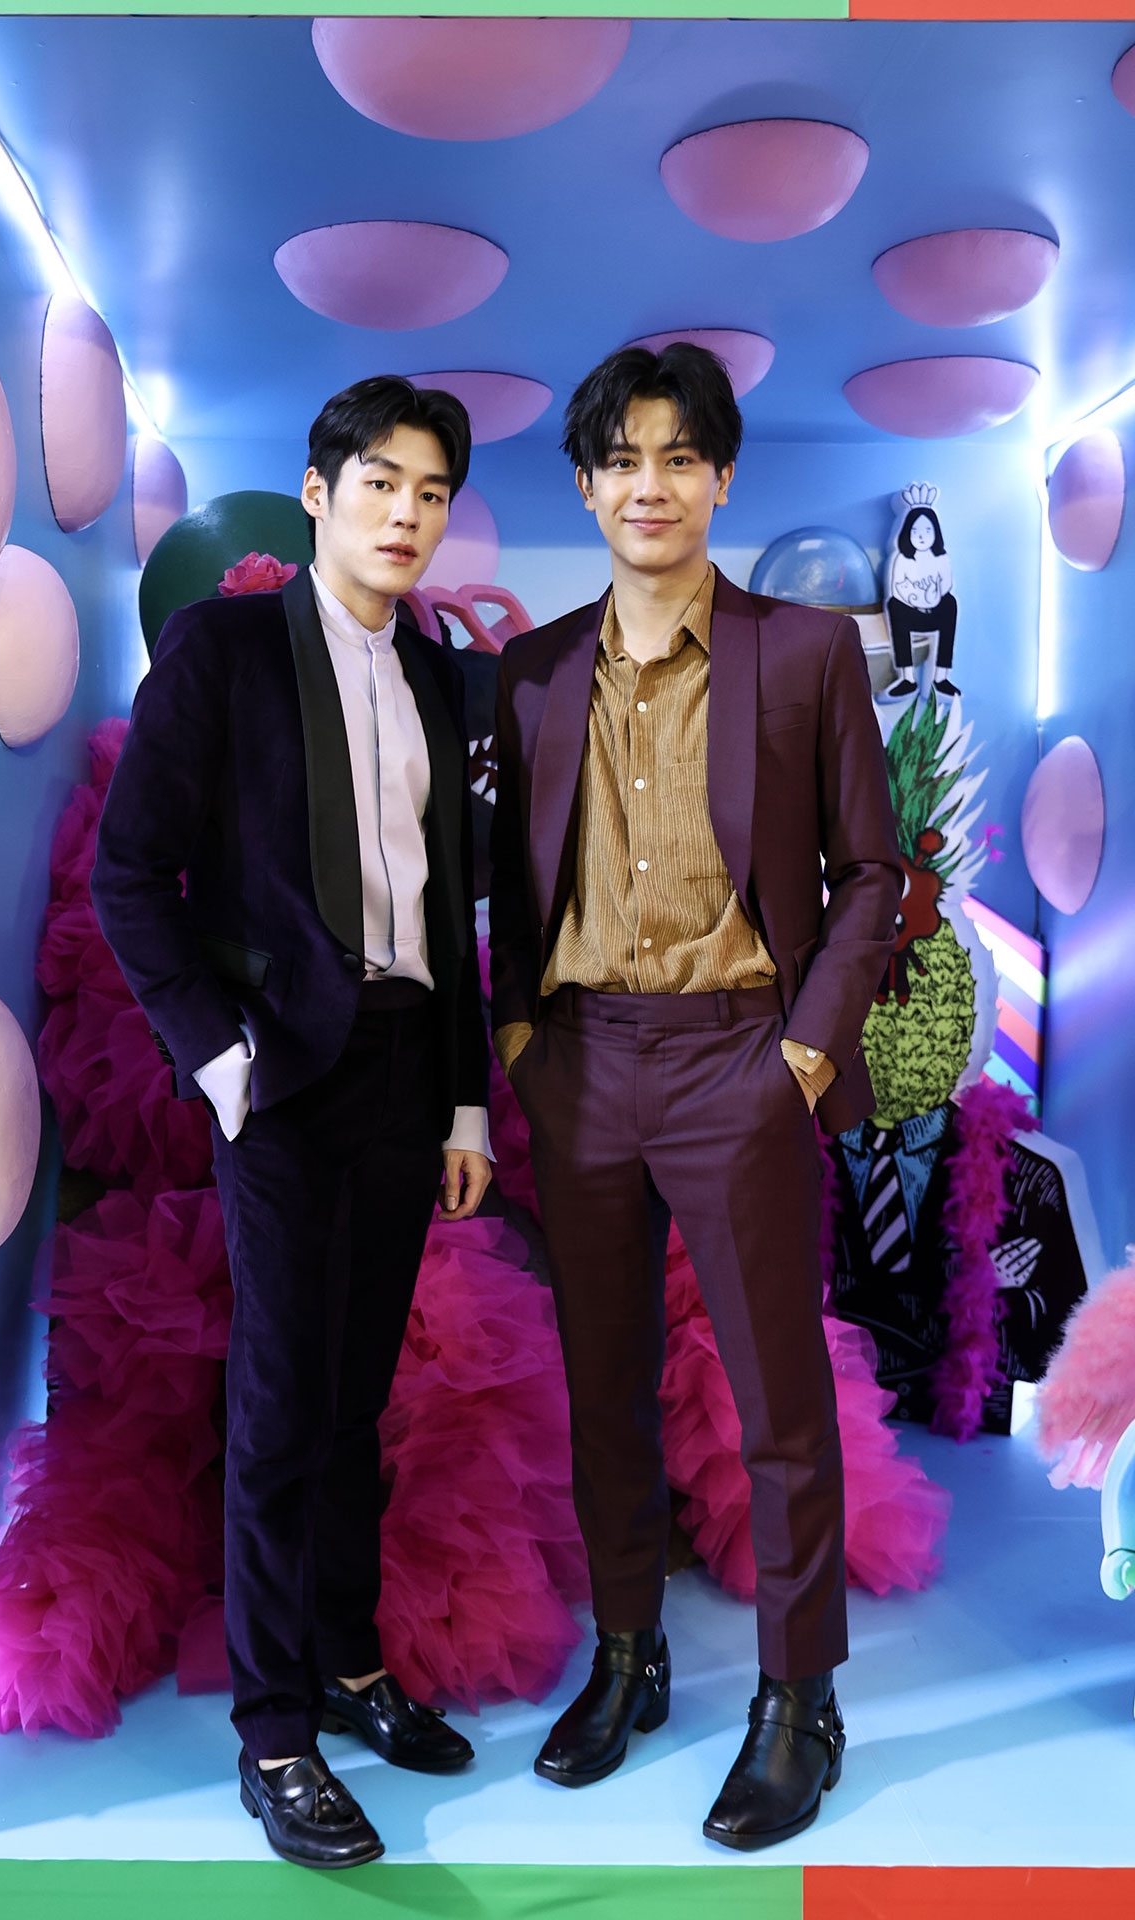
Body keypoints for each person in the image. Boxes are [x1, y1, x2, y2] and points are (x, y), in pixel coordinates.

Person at [488, 342, 902, 1850]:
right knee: (601, 1384)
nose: (648, 486)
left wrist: (804, 1053)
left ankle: (800, 1702)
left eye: (678, 458)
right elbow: (498, 877)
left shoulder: (804, 652)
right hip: (582, 1060)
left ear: (721, 477)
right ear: (585, 485)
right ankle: (628, 1657)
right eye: (621, 461)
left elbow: (873, 874)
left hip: (742, 1056)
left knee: (775, 1401)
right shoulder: (533, 670)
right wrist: (519, 1038)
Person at [92, 377, 492, 1870]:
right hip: (279, 1074)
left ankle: (343, 1659)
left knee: (355, 1396)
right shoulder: (227, 650)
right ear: (319, 493)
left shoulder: (442, 677)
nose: (406, 515)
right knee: (274, 1401)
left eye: (431, 492)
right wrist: (218, 1059)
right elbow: (130, 876)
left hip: (403, 1068)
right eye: (380, 483)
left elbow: (445, 915)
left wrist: (465, 1099)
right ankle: (274, 1735)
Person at [885, 498, 959, 698]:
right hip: (910, 612)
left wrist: (932, 598)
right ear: (907, 533)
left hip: (934, 611)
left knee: (950, 603)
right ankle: (908, 678)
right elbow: (897, 588)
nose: (922, 536)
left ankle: (941, 677)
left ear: (936, 533)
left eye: (927, 530)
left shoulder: (941, 559)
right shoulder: (901, 559)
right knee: (894, 605)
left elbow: (946, 585)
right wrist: (915, 599)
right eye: (916, 531)